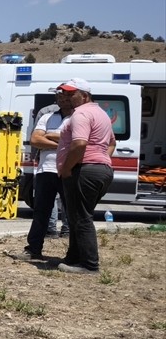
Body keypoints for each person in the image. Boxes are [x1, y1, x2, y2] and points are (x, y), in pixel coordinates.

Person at [56, 78, 115, 274]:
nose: (67, 97)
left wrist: (67, 167)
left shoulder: (81, 114)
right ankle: (73, 258)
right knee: (76, 216)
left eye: (72, 93)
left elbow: (79, 144)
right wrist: (101, 158)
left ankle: (89, 265)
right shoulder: (101, 114)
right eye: (65, 93)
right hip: (100, 170)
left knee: (81, 217)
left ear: (85, 95)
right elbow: (112, 142)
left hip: (84, 170)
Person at [8, 98, 69, 262]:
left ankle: (75, 254)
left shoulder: (78, 119)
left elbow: (78, 142)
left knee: (72, 213)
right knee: (41, 212)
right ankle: (33, 249)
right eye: (60, 95)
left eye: (67, 95)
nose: (62, 99)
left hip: (68, 171)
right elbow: (35, 140)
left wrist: (49, 139)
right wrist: (63, 143)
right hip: (45, 170)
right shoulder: (47, 116)